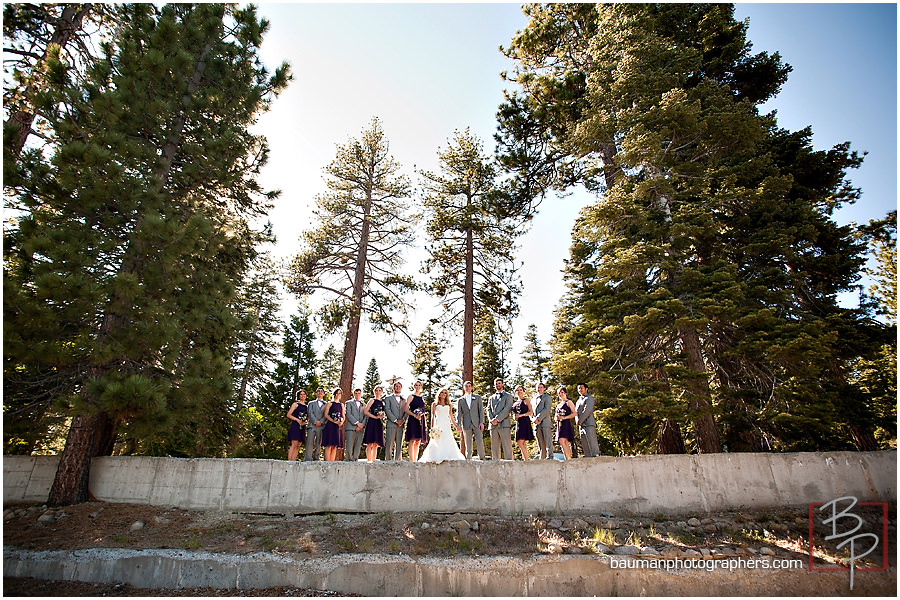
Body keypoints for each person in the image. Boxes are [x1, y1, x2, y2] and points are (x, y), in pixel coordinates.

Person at [419, 388, 465, 463]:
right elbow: (433, 416)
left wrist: (456, 426)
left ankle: (447, 455)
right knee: (437, 439)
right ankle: (436, 455)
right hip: (438, 423)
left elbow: (451, 416)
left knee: (447, 438)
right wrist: (432, 428)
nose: (443, 394)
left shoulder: (449, 405)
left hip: (446, 424)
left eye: (445, 393)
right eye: (442, 392)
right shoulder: (435, 404)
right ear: (439, 394)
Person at [456, 381, 485, 460]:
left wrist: (481, 422)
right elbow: (459, 413)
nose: (468, 388)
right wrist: (458, 424)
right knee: (468, 442)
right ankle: (468, 458)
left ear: (472, 387)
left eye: (469, 386)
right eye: (466, 386)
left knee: (479, 440)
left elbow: (481, 410)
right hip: (466, 423)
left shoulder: (477, 397)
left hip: (477, 422)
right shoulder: (460, 400)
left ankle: (482, 457)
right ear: (464, 388)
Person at [487, 377, 513, 460]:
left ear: (502, 384)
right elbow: (488, 409)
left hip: (504, 424)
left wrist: (497, 419)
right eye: (496, 384)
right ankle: (495, 464)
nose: (498, 385)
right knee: (494, 447)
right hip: (493, 426)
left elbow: (507, 408)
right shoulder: (491, 398)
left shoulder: (508, 396)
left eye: (499, 383)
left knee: (507, 446)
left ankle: (509, 464)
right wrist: (491, 419)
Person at [404, 380, 427, 462]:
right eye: (416, 385)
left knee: (418, 440)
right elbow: (405, 409)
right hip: (413, 419)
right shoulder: (411, 396)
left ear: (421, 387)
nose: (417, 386)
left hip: (420, 420)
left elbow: (423, 411)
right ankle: (411, 460)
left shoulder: (422, 398)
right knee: (412, 439)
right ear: (414, 386)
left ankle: (415, 460)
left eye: (419, 385)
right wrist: (414, 415)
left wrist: (425, 423)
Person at [362, 385, 386, 461]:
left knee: (376, 443)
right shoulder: (372, 400)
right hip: (372, 422)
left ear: (382, 392)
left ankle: (373, 460)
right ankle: (369, 460)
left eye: (379, 390)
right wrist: (374, 417)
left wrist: (382, 416)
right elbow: (366, 411)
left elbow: (384, 413)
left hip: (379, 423)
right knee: (370, 442)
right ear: (374, 392)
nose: (378, 392)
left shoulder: (382, 402)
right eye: (376, 390)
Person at [576, 383, 600, 458]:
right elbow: (575, 412)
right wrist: (577, 420)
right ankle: (588, 456)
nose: (580, 390)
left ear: (586, 389)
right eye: (578, 388)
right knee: (585, 443)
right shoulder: (578, 401)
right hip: (581, 425)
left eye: (581, 388)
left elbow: (588, 410)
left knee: (592, 443)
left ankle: (596, 456)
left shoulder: (589, 398)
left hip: (589, 423)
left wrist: (581, 420)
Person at [384, 380, 406, 460]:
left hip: (401, 425)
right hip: (391, 424)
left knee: (399, 444)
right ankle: (388, 460)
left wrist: (403, 420)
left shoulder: (404, 399)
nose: (398, 388)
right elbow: (387, 409)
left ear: (401, 388)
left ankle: (397, 460)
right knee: (389, 443)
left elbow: (406, 411)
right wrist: (395, 420)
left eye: (399, 386)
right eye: (396, 386)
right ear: (393, 388)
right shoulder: (388, 398)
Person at [511, 385, 534, 459]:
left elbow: (531, 412)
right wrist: (514, 417)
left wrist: (522, 415)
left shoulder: (526, 400)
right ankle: (525, 459)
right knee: (520, 442)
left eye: (521, 390)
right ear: (515, 392)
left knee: (520, 442)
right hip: (518, 423)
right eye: (517, 390)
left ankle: (526, 459)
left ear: (523, 391)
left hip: (525, 422)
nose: (519, 391)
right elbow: (514, 413)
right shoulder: (514, 403)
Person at [322, 388, 345, 461]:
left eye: (340, 393)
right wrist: (333, 421)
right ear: (334, 394)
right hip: (330, 425)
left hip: (338, 427)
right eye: (337, 393)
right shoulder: (330, 403)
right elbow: (326, 415)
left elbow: (343, 416)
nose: (338, 395)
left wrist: (341, 422)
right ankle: (327, 461)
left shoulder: (341, 405)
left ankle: (332, 462)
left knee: (335, 445)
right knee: (329, 444)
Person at [305, 387, 327, 461]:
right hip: (312, 425)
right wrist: (315, 421)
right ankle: (307, 459)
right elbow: (310, 413)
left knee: (319, 443)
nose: (320, 393)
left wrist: (321, 421)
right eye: (318, 391)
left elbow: (326, 415)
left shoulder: (326, 404)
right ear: (316, 393)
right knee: (309, 443)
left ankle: (316, 458)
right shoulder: (311, 403)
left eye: (321, 391)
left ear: (323, 394)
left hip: (321, 426)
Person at [344, 388, 367, 461]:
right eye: (356, 393)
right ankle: (348, 460)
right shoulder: (348, 403)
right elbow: (348, 414)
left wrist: (362, 425)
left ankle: (355, 460)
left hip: (360, 429)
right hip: (351, 427)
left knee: (358, 446)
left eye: (359, 393)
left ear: (361, 394)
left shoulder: (364, 404)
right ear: (353, 394)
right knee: (349, 446)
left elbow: (365, 416)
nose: (357, 395)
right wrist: (357, 423)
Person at [532, 382, 553, 459]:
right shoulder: (533, 399)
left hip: (545, 423)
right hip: (536, 424)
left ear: (544, 388)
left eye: (541, 387)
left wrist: (538, 418)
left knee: (548, 441)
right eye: (538, 387)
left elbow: (547, 409)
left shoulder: (547, 397)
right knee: (540, 443)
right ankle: (542, 458)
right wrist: (534, 419)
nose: (539, 389)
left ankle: (550, 456)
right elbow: (531, 411)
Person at [555, 385, 577, 460]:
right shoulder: (558, 405)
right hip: (560, 425)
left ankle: (568, 458)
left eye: (562, 392)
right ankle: (568, 458)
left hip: (566, 423)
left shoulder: (568, 402)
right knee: (563, 442)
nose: (561, 394)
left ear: (566, 393)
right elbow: (555, 416)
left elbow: (574, 413)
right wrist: (557, 417)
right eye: (559, 393)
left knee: (563, 440)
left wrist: (564, 417)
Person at [286, 389, 309, 461]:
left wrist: (306, 422)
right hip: (295, 425)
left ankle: (293, 460)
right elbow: (288, 415)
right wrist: (297, 420)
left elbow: (308, 417)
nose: (302, 396)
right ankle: (289, 461)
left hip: (302, 426)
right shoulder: (295, 404)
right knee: (294, 443)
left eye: (304, 394)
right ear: (298, 396)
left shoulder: (307, 406)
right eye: (301, 394)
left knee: (298, 444)